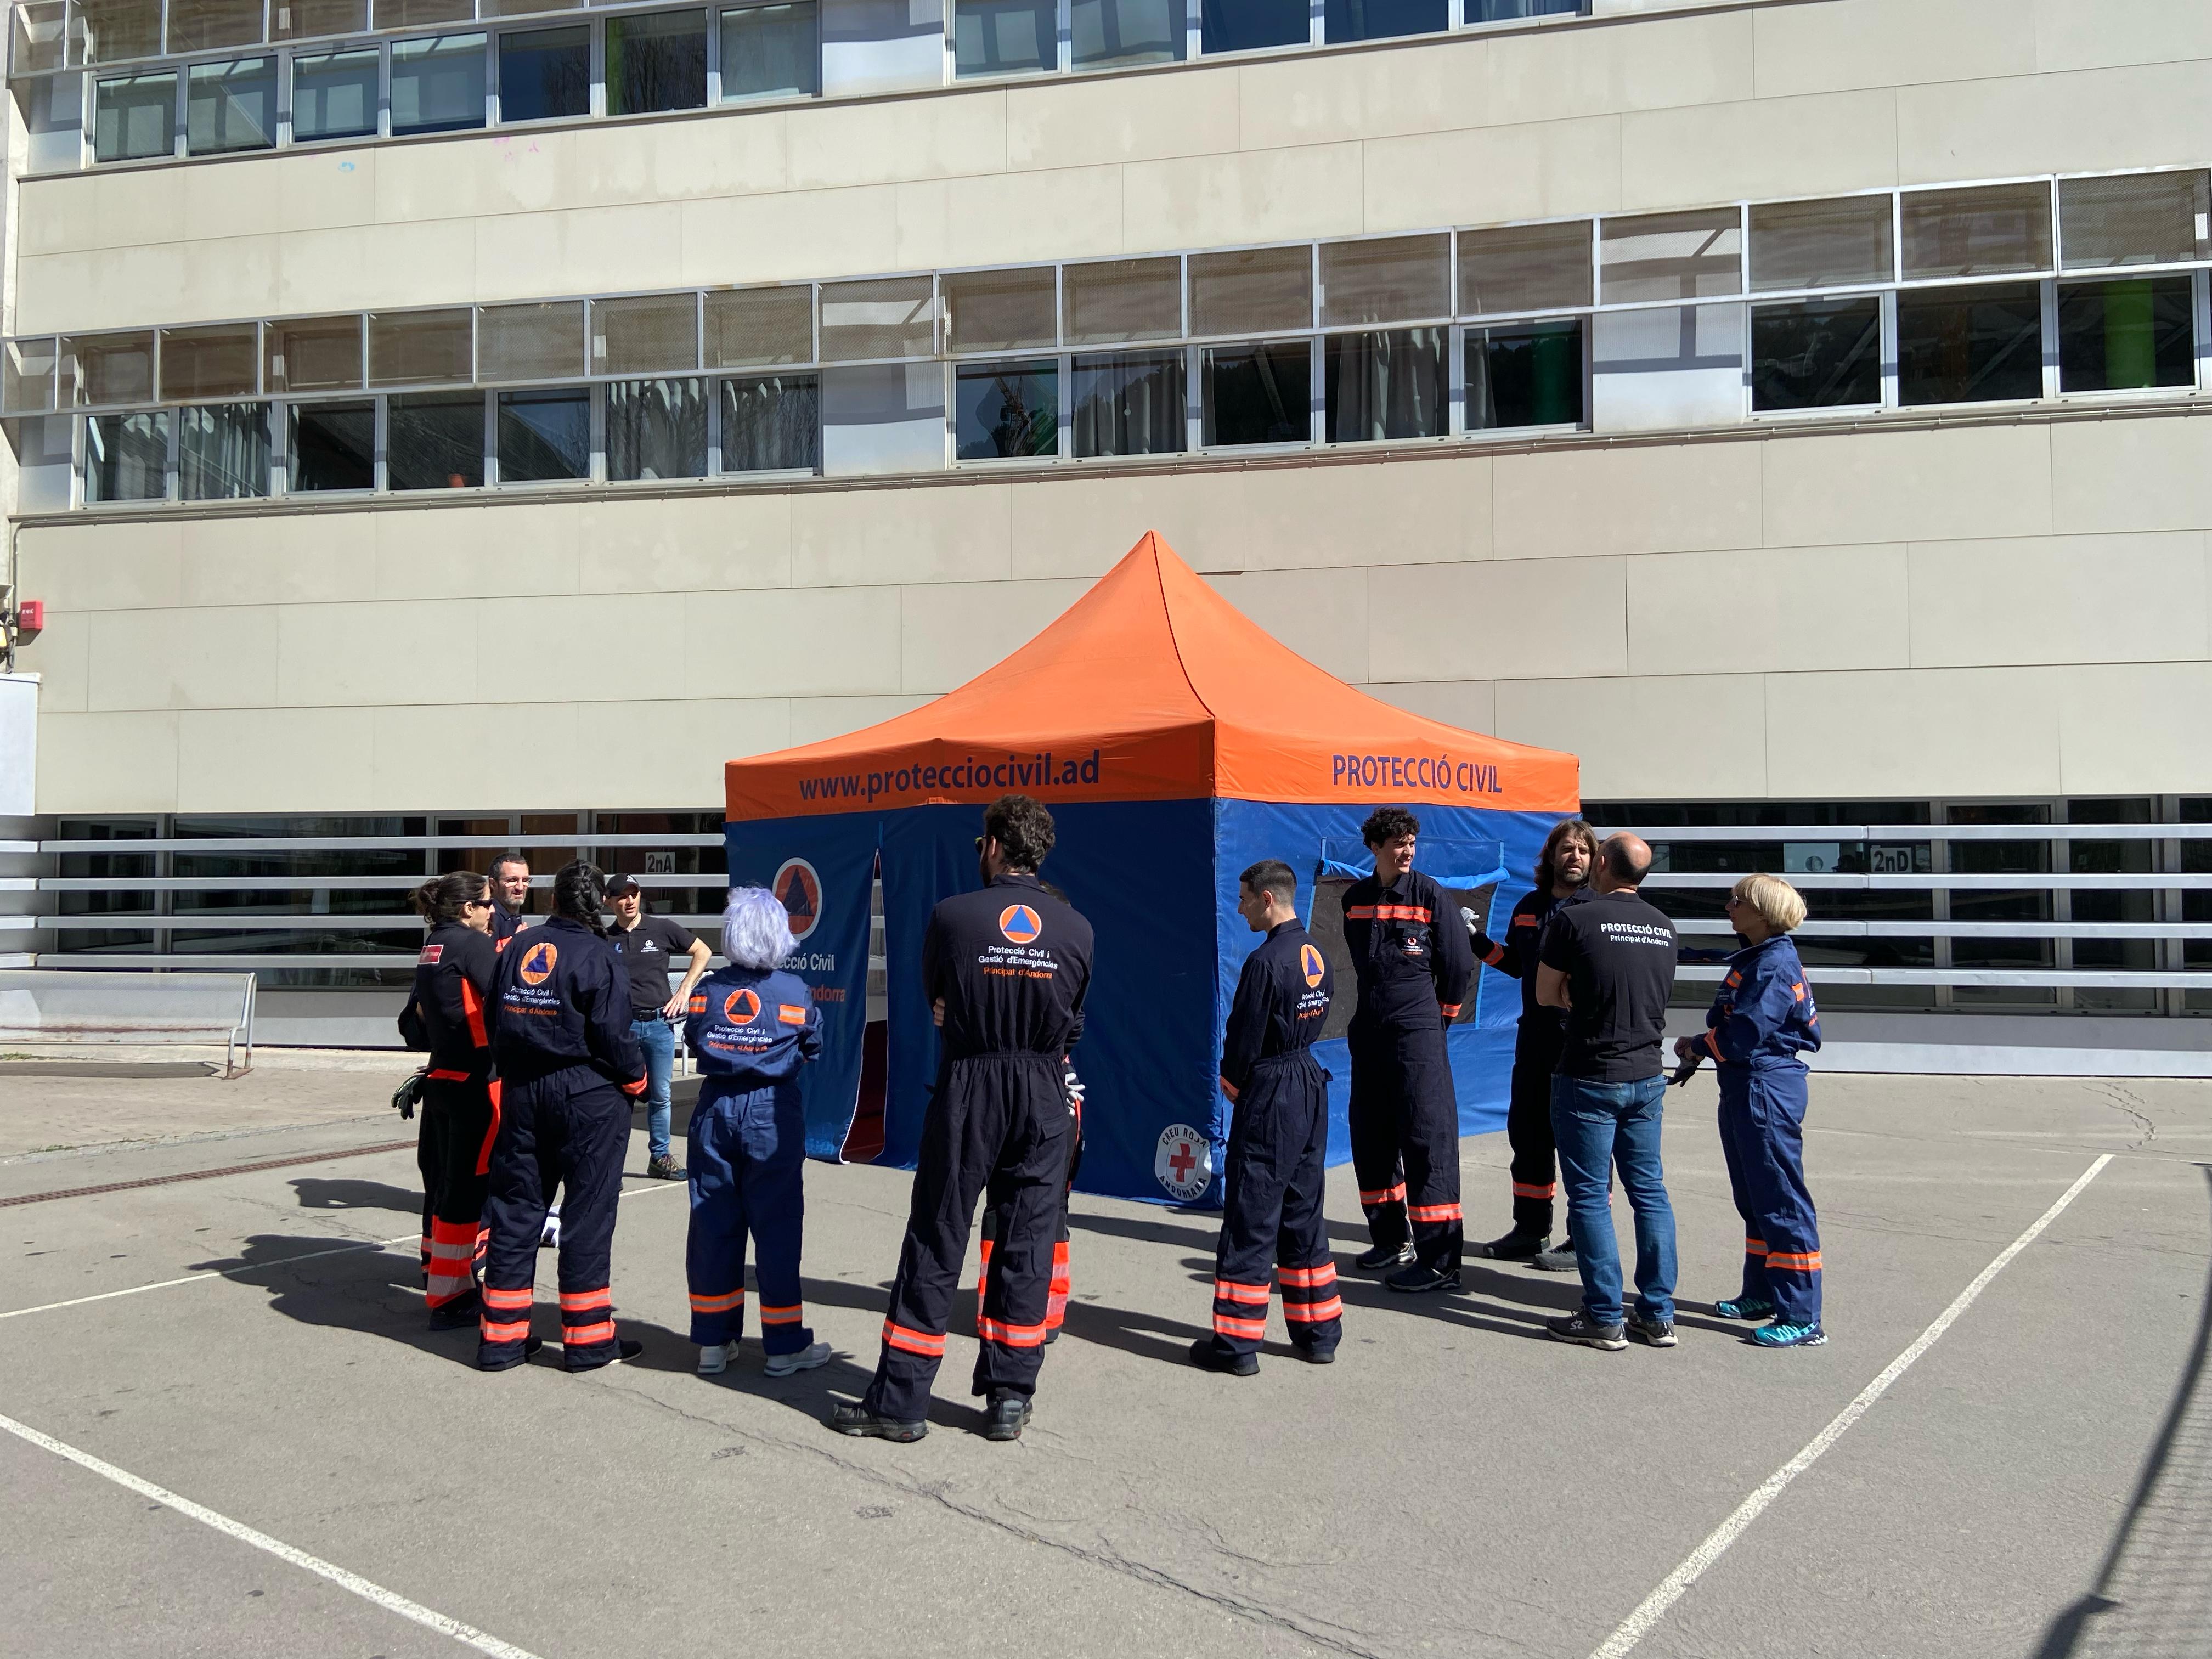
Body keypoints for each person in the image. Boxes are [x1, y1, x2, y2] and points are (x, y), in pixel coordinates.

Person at [832, 795, 1092, 1444]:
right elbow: (1074, 1024)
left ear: (995, 846)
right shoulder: (1077, 929)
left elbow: (936, 997)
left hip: (972, 1082)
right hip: (1043, 1089)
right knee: (1027, 1243)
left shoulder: (953, 916)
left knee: (937, 1235)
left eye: (982, 844)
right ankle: (1009, 1397)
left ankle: (901, 1401)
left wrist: (968, 1013)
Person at [477, 862, 650, 1373]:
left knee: (516, 1211)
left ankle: (501, 1341)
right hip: (588, 1095)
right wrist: (637, 1079)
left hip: (525, 1091)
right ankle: (589, 1342)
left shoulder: (518, 947)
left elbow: (494, 1017)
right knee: (587, 1215)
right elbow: (614, 1033)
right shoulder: (601, 955)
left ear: (552, 901)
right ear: (599, 905)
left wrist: (513, 1071)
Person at [1190, 860, 1340, 1376]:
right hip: (1309, 1083)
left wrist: (1234, 1085)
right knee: (1304, 1214)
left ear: (1267, 899)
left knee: (1251, 1218)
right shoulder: (1316, 951)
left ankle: (1235, 1344)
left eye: (1245, 899)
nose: (1241, 909)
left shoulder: (1265, 961)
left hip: (1273, 1088)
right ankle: (1318, 1334)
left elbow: (1244, 1036)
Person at [1536, 833, 1681, 1351]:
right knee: (1650, 1192)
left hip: (1589, 1074)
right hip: (1647, 1074)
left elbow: (1545, 994)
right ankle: (1658, 1315)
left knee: (1590, 1197)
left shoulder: (1574, 920)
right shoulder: (1664, 926)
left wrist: (1575, 992)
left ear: (1600, 864)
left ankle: (1603, 1316)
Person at [681, 885, 832, 1379]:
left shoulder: (709, 990)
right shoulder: (794, 991)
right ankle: (784, 1347)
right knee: (777, 1228)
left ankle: (713, 1341)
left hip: (715, 1107)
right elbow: (813, 1045)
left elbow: (694, 1037)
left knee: (713, 1224)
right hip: (772, 1110)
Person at [1673, 873, 1826, 1349]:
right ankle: (1762, 1292)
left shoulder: (1773, 965)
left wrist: (1697, 1045)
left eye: (1736, 901)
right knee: (1755, 1199)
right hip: (1746, 1084)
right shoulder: (1759, 957)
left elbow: (1743, 1035)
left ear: (1762, 912)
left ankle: (1802, 1315)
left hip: (1765, 1086)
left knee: (1781, 1200)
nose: (1729, 908)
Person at [1341, 805, 1475, 1294]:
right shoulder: (1354, 899)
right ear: (1375, 847)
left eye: (1412, 842)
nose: (1408, 851)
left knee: (1426, 1139)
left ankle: (1440, 1262)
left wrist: (1438, 1020)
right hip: (1370, 1033)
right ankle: (1391, 1239)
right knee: (1371, 1138)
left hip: (1418, 1036)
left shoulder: (1431, 895)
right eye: (1398, 843)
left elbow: (1458, 965)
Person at [1469, 819, 1598, 1267]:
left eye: (1583, 850)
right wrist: (1480, 945)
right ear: (1551, 856)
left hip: (1581, 1043)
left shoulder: (1597, 908)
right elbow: (1518, 965)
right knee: (1528, 1135)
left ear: (1594, 859)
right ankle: (1530, 1230)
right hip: (1534, 1040)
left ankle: (1584, 1241)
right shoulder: (1528, 906)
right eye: (1567, 848)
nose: (1575, 856)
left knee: (1582, 1142)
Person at [397, 870, 501, 1331]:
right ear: (467, 908)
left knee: (440, 1184)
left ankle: (435, 1269)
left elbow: (414, 1026)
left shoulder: (432, 946)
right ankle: (452, 1295)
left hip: (441, 1079)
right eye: (487, 903)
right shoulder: (472, 945)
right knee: (467, 1191)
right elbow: (510, 1002)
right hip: (477, 1084)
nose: (492, 911)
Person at [606, 874, 713, 1181]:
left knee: (661, 1095)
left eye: (634, 894)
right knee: (619, 1096)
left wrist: (685, 991)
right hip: (621, 1029)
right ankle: (610, 1167)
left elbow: (703, 952)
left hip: (658, 1025)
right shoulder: (603, 938)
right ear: (609, 902)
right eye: (622, 895)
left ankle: (660, 1157)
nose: (629, 901)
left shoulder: (662, 928)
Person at [488, 853, 532, 945]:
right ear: (493, 884)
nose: (520, 888)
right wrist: (515, 944)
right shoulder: (490, 918)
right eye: (512, 880)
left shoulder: (509, 917)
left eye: (525, 880)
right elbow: (486, 954)